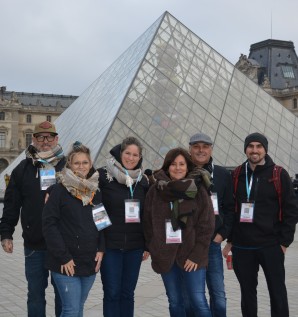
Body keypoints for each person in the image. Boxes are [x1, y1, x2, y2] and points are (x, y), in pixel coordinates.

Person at [223, 132, 298, 317]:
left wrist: (284, 242)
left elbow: (291, 209)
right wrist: (230, 241)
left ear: (265, 149)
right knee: (247, 294)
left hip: (271, 245)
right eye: (251, 146)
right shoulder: (237, 174)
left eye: (258, 146)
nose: (254, 150)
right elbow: (232, 209)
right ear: (246, 149)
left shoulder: (278, 174)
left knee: (277, 291)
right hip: (242, 246)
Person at [0, 120, 64, 317]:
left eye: (49, 137)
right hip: (34, 244)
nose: (45, 141)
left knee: (64, 296)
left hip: (63, 244)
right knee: (35, 295)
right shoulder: (22, 169)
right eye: (40, 137)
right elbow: (11, 204)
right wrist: (6, 234)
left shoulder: (69, 166)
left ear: (56, 139)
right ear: (34, 139)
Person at [143, 147, 215, 317]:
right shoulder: (155, 190)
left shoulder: (197, 189)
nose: (178, 168)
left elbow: (207, 225)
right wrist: (155, 248)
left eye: (182, 164)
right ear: (167, 166)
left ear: (187, 166)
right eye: (173, 164)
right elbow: (147, 223)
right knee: (175, 301)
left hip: (192, 256)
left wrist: (197, 255)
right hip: (165, 256)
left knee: (198, 301)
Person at [42, 141, 104, 317]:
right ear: (69, 164)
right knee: (70, 310)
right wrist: (64, 257)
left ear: (90, 164)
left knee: (79, 308)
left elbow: (102, 223)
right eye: (77, 163)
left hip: (89, 261)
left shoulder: (95, 191)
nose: (81, 166)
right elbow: (49, 225)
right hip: (65, 262)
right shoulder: (59, 191)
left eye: (85, 162)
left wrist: (102, 248)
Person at [98, 136, 149, 317]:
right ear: (121, 153)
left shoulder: (143, 181)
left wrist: (147, 246)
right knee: (112, 293)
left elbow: (146, 216)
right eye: (128, 153)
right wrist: (100, 244)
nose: (131, 158)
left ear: (140, 157)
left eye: (136, 155)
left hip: (134, 247)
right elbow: (97, 211)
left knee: (128, 294)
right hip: (110, 246)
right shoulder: (103, 176)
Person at [188, 132, 234, 317]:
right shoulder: (181, 171)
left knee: (219, 296)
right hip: (189, 245)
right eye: (196, 146)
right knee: (194, 296)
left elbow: (231, 209)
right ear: (189, 149)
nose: (201, 150)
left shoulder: (222, 174)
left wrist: (221, 236)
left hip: (212, 244)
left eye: (205, 146)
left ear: (211, 149)